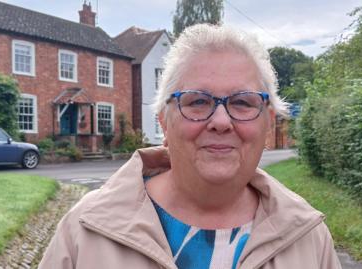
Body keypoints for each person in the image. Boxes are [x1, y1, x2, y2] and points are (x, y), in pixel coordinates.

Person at [38, 24, 341, 269]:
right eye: (198, 101)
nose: (221, 121)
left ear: (268, 124)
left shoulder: (307, 236)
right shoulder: (86, 230)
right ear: (164, 123)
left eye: (242, 102)